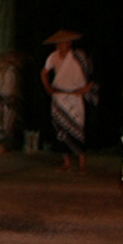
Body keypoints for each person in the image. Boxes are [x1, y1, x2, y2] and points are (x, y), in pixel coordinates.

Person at [41, 30, 93, 172]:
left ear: (69, 43)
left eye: (63, 42)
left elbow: (91, 76)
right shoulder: (53, 57)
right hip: (60, 96)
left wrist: (86, 88)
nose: (60, 45)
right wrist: (48, 88)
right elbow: (44, 72)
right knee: (61, 129)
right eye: (58, 43)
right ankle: (67, 162)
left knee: (78, 127)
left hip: (76, 96)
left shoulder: (78, 57)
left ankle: (82, 162)